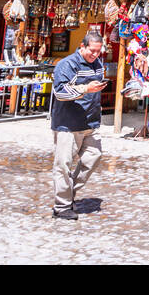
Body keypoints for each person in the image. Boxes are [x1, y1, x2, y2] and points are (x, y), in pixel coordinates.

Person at [50, 32, 108, 220]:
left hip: (90, 122)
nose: (95, 55)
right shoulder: (67, 65)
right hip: (68, 123)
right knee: (63, 164)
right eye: (92, 51)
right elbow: (60, 92)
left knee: (94, 157)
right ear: (82, 46)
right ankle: (62, 206)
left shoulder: (98, 64)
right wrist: (85, 89)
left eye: (99, 52)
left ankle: (68, 193)